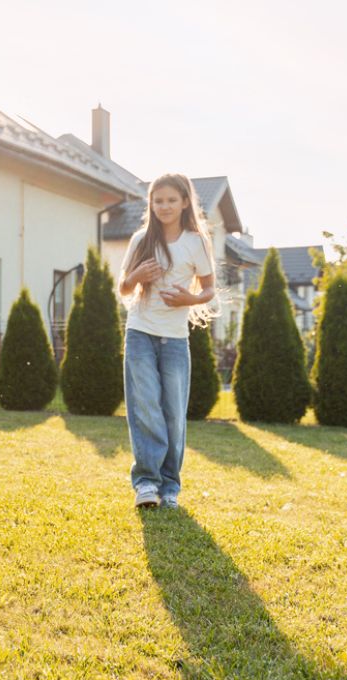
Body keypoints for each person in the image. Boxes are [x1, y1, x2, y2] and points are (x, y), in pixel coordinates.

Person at [117, 173, 217, 509]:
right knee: (145, 408)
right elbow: (123, 288)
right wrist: (136, 276)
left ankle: (170, 487)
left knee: (173, 413)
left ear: (185, 202)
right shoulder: (140, 240)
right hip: (140, 332)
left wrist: (188, 301)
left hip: (174, 339)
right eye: (158, 200)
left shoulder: (196, 242)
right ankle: (146, 483)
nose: (164, 206)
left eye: (171, 200)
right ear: (151, 203)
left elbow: (208, 288)